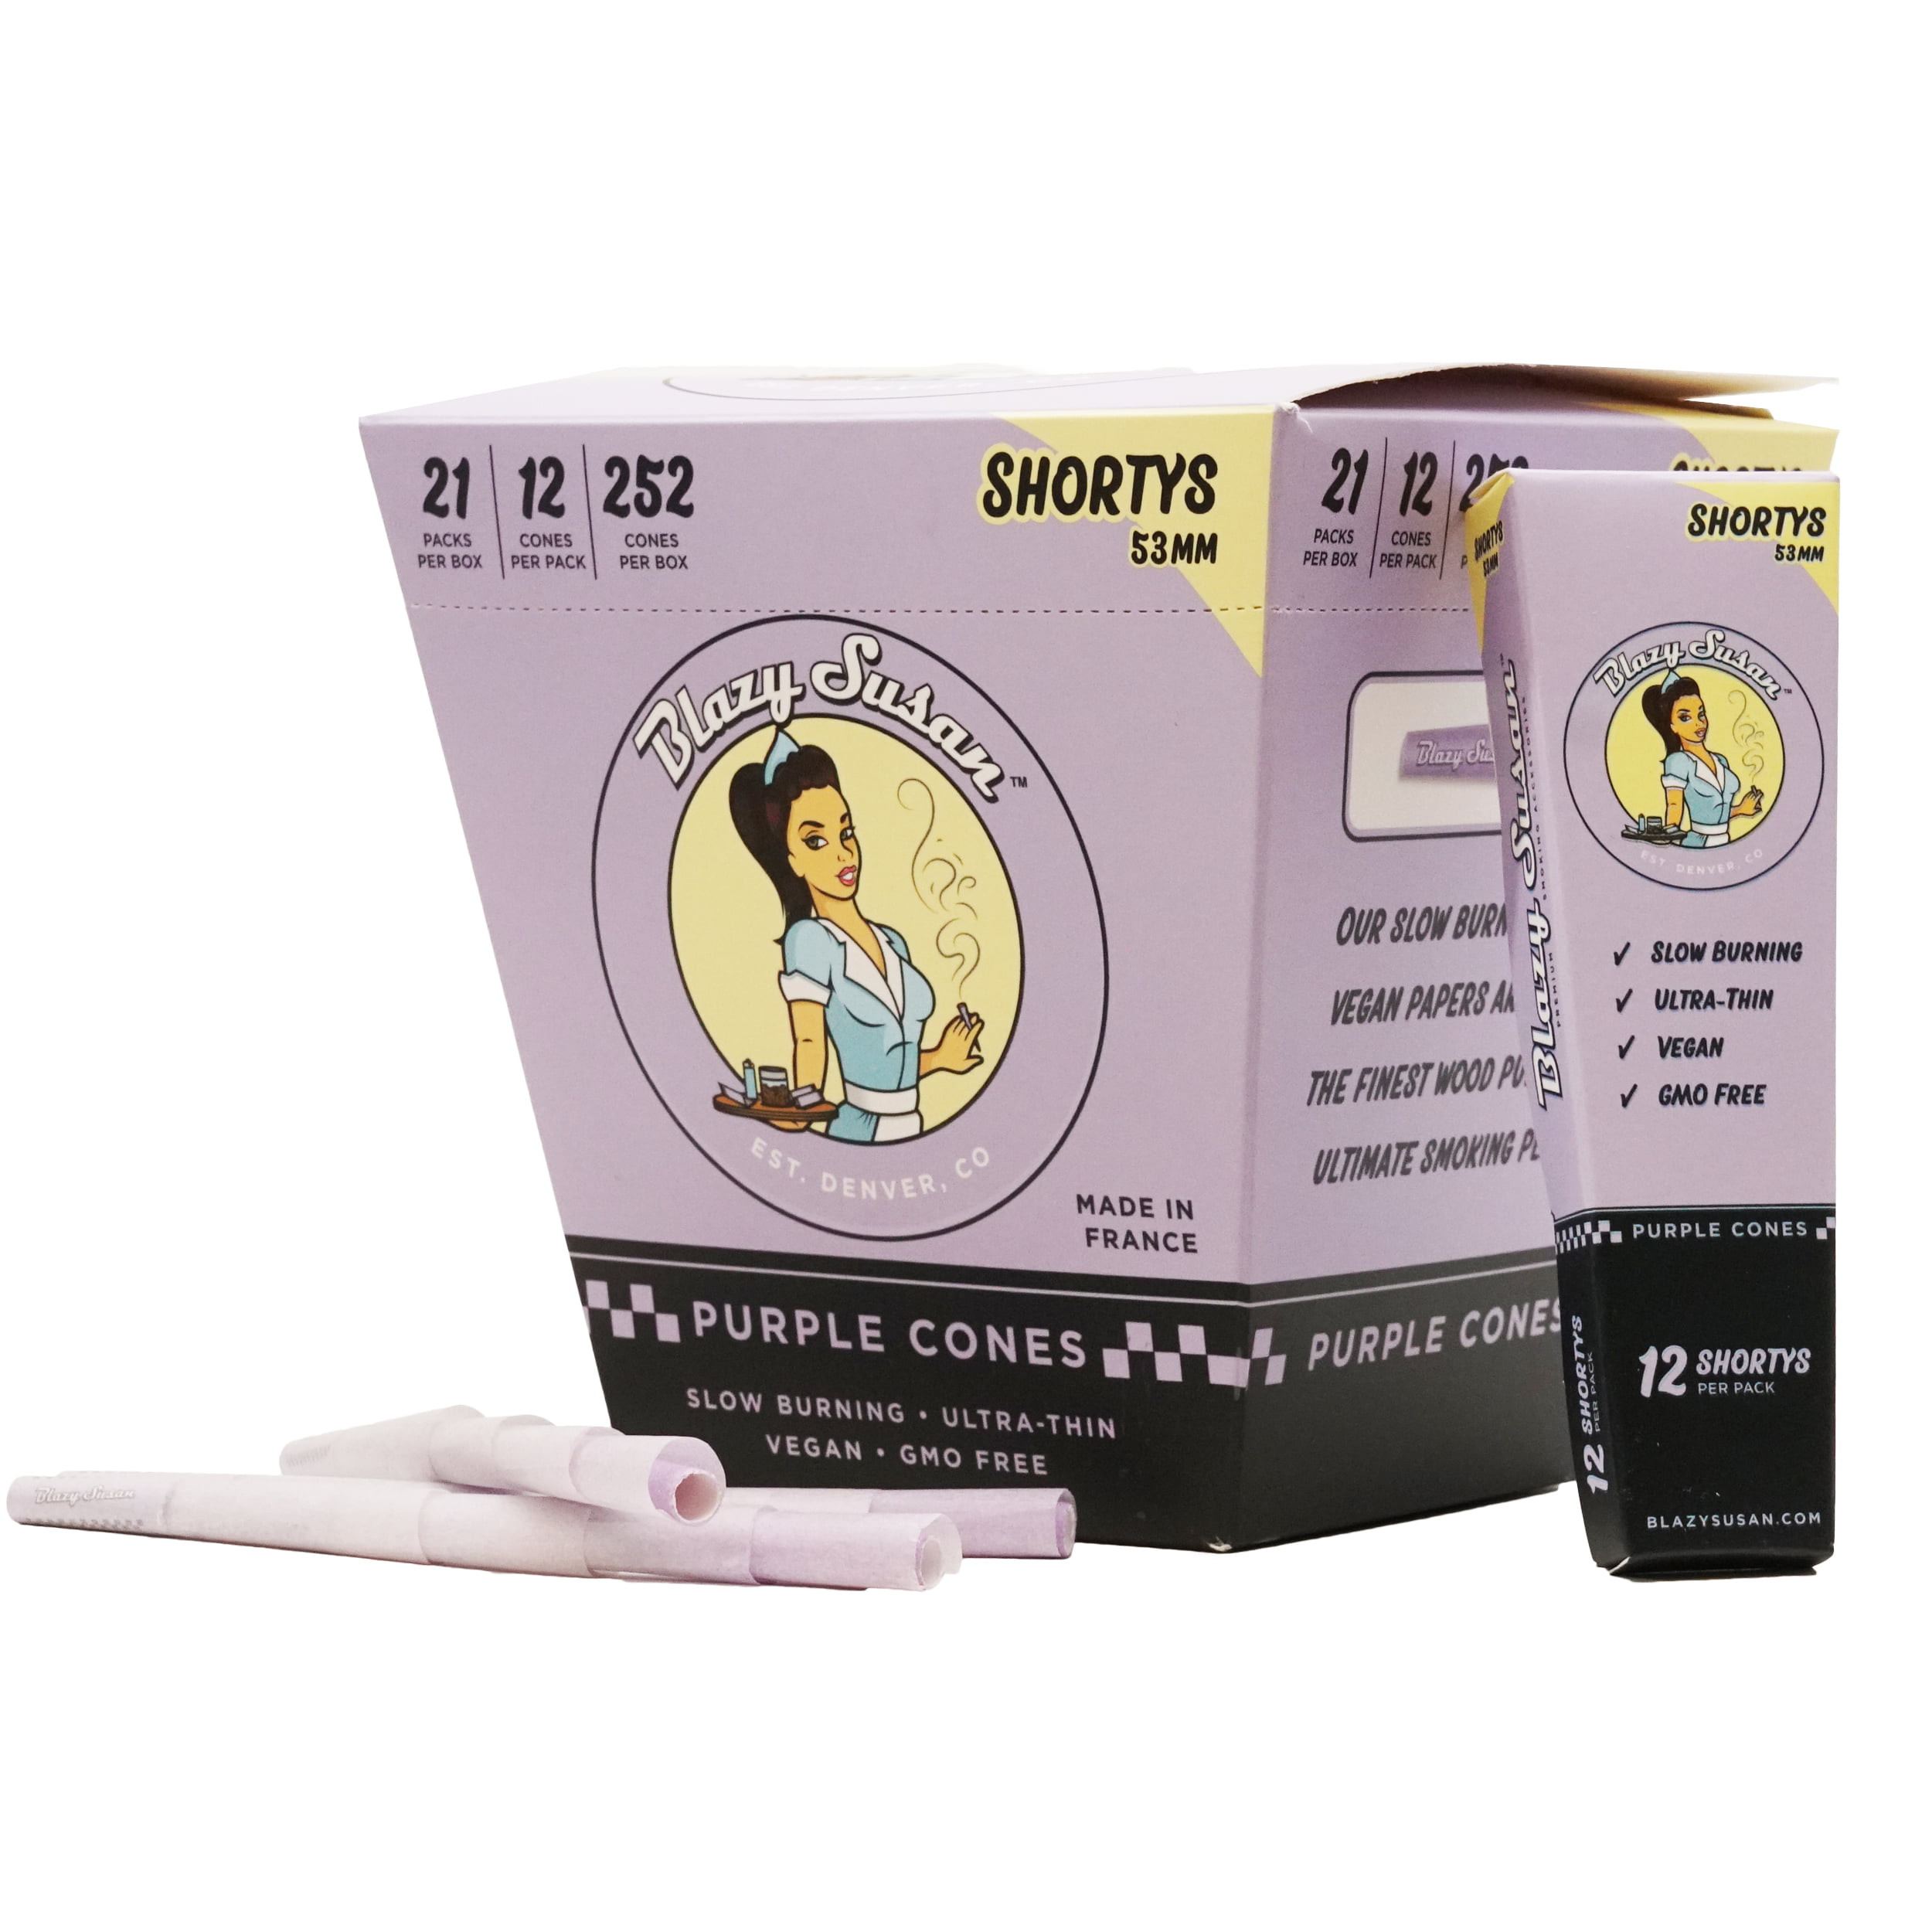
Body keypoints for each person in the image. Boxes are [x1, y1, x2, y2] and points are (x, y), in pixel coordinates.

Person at [728, 730, 984, 1142]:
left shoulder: (893, 942)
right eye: (816, 841)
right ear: (793, 860)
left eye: (846, 832)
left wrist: (940, 1057)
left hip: (912, 1127)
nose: (843, 853)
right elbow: (809, 1041)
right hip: (861, 1131)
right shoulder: (810, 940)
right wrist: (796, 1112)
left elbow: (887, 1062)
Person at [1639, 669, 1763, 848]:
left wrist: (1741, 810)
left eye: (1701, 714)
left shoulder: (1721, 761)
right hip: (1698, 843)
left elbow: (1713, 812)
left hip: (1724, 840)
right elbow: (1674, 805)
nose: (1699, 723)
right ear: (1672, 726)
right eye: (1685, 717)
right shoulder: (1678, 762)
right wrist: (1668, 838)